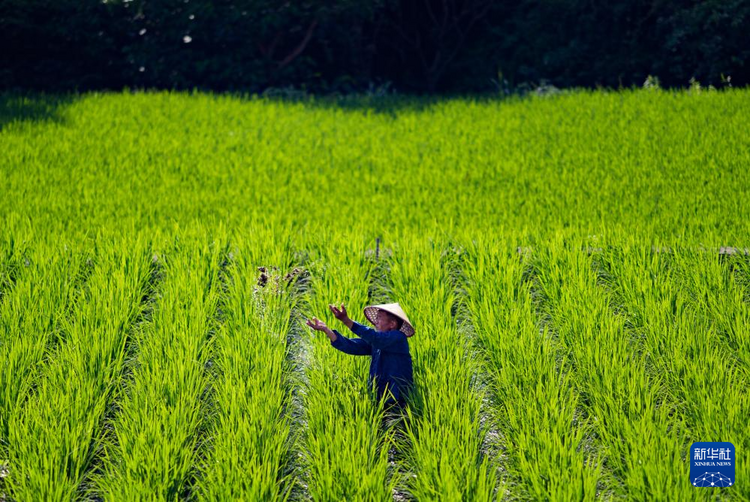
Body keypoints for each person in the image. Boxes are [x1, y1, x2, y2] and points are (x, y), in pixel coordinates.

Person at [306, 302, 415, 410]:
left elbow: (374, 337)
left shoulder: (398, 338)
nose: (376, 321)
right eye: (376, 317)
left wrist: (346, 321)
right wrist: (326, 330)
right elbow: (351, 346)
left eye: (379, 318)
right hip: (380, 397)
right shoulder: (377, 343)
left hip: (397, 398)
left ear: (392, 324)